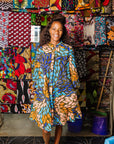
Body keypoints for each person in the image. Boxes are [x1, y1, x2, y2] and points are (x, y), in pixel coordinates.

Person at [29, 14, 82, 144]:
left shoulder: (68, 49)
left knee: (60, 121)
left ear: (63, 32)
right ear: (49, 30)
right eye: (54, 29)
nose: (56, 32)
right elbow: (36, 71)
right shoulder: (41, 50)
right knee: (45, 128)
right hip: (45, 92)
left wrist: (75, 87)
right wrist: (35, 87)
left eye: (59, 29)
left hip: (62, 91)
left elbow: (72, 69)